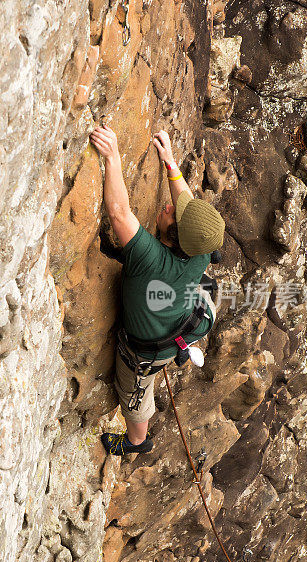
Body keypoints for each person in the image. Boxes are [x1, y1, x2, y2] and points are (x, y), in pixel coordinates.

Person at [89, 125, 225, 456]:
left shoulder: (149, 257)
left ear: (174, 236)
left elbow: (119, 213)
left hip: (147, 352)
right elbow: (189, 208)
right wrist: (169, 163)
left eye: (172, 213)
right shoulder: (200, 249)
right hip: (184, 315)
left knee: (134, 392)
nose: (167, 205)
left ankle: (137, 441)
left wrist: (113, 158)